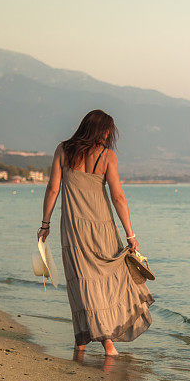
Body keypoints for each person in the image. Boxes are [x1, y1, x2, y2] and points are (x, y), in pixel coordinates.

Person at [37, 109, 154, 356]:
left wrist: (45, 224)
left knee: (80, 282)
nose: (109, 135)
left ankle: (82, 340)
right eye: (108, 131)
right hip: (102, 226)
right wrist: (130, 235)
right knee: (105, 281)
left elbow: (52, 189)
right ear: (102, 131)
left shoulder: (63, 150)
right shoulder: (107, 156)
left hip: (73, 227)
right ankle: (105, 341)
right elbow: (118, 196)